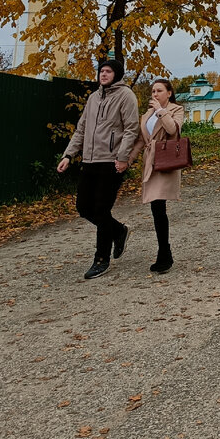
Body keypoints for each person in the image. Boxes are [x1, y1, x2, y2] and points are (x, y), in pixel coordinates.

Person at [57, 58, 140, 279]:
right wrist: (68, 155)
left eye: (108, 71)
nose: (103, 74)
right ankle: (118, 230)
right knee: (84, 207)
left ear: (117, 74)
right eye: (101, 71)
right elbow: (81, 129)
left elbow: (132, 129)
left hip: (112, 162)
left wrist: (123, 158)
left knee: (102, 210)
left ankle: (101, 259)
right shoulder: (93, 98)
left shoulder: (126, 96)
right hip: (89, 161)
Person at [129, 78, 186, 274]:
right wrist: (128, 160)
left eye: (159, 91)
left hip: (165, 161)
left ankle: (164, 252)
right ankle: (165, 252)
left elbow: (173, 130)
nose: (155, 94)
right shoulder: (147, 114)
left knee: (158, 206)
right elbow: (140, 139)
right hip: (150, 162)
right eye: (153, 91)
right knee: (156, 208)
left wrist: (161, 111)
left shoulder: (176, 109)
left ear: (169, 93)